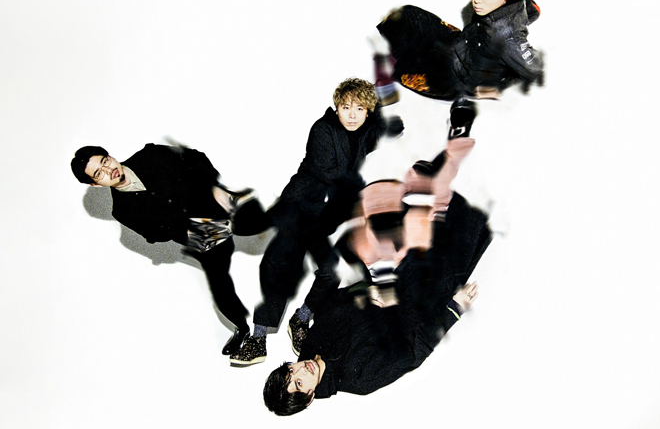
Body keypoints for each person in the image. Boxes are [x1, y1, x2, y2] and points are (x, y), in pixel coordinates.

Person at [262, 133, 492, 415]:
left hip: (395, 277)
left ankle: (445, 172)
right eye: (299, 383)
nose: (301, 369)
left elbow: (333, 301)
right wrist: (453, 310)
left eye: (290, 370)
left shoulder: (311, 343)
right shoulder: (359, 379)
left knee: (399, 203)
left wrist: (365, 292)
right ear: (308, 398)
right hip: (424, 298)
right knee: (462, 215)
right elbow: (414, 352)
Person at [229, 78, 403, 366]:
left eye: (359, 108)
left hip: (327, 215)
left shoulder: (366, 130)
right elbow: (330, 172)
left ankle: (301, 319)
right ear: (337, 108)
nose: (351, 115)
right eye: (345, 107)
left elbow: (393, 126)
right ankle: (258, 339)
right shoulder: (322, 130)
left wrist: (383, 93)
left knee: (332, 273)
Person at [70, 142, 271, 355]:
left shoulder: (150, 154)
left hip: (215, 203)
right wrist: (192, 231)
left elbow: (195, 157)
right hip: (197, 234)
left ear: (110, 155)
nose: (109, 170)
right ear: (95, 184)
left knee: (264, 223)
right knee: (219, 287)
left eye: (105, 161)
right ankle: (242, 329)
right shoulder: (121, 211)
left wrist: (215, 188)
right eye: (99, 173)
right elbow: (154, 234)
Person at [376, 0, 543, 101]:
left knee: (400, 67)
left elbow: (537, 71)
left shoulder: (508, 39)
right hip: (458, 41)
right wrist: (528, 13)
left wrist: (497, 87)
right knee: (406, 14)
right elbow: (531, 7)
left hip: (451, 77)